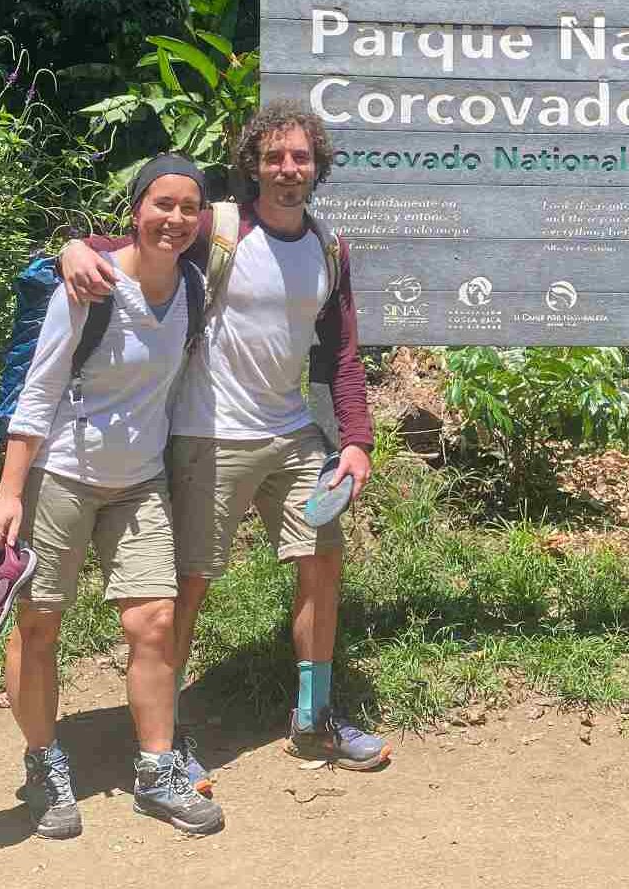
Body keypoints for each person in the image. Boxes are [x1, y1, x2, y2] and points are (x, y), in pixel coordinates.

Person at [59, 101, 389, 787]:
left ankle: (312, 718)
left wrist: (356, 442)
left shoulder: (330, 247)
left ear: (317, 165)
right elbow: (144, 236)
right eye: (274, 157)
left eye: (300, 157)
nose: (288, 169)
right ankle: (165, 735)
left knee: (322, 565)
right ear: (252, 166)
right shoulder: (223, 228)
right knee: (190, 582)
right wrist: (75, 249)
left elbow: (342, 356)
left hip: (293, 432)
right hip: (207, 433)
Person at [0, 155, 224, 840]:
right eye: (161, 204)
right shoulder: (88, 287)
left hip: (139, 481)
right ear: (135, 210)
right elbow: (38, 392)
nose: (174, 219)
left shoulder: (195, 288)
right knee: (39, 627)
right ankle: (43, 764)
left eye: (187, 208)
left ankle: (155, 771)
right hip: (60, 473)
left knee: (153, 622)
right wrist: (8, 495)